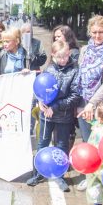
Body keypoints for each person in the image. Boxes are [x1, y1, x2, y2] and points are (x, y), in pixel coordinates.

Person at [29, 40, 81, 189]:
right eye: (59, 57)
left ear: (69, 53)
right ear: (53, 55)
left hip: (63, 116)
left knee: (61, 145)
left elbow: (75, 95)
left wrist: (56, 107)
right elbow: (39, 87)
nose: (63, 59)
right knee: (42, 143)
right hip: (46, 114)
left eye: (65, 56)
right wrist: (39, 102)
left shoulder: (75, 70)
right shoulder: (49, 69)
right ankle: (38, 172)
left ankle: (60, 175)